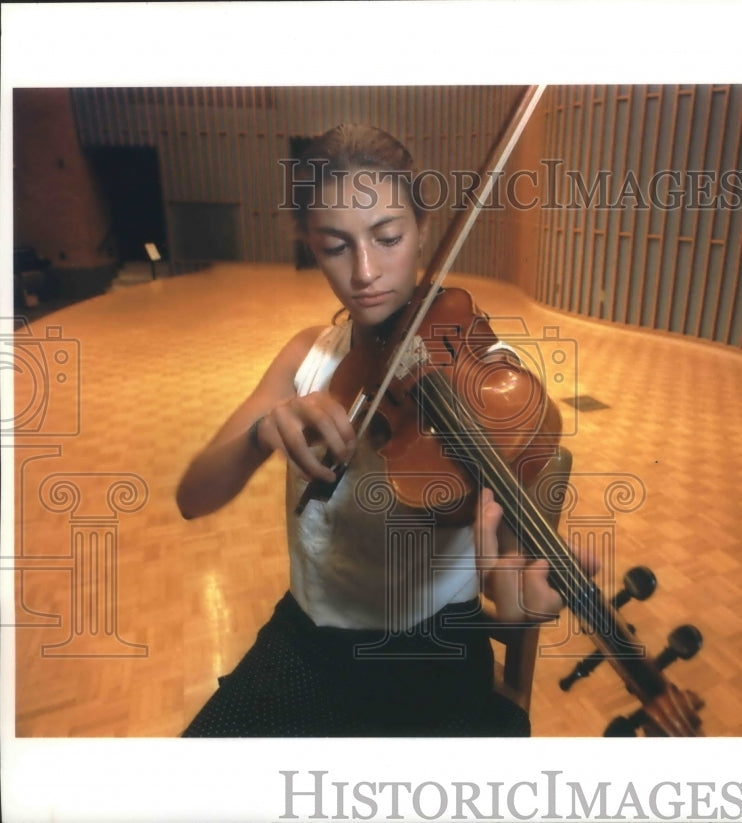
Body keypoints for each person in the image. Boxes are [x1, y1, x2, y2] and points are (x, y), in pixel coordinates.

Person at [175, 124, 577, 737]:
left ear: (421, 231)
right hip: (309, 643)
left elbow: (508, 579)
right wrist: (260, 434)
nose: (366, 271)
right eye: (336, 246)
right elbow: (193, 497)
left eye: (387, 237)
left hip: (436, 653)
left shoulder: (486, 378)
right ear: (312, 248)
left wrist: (520, 601)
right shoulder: (306, 357)